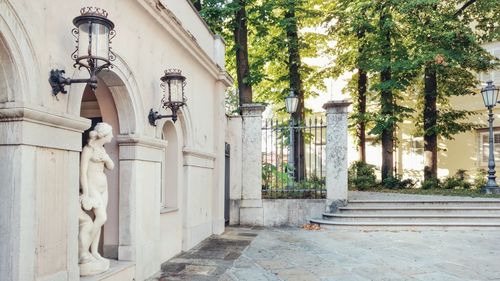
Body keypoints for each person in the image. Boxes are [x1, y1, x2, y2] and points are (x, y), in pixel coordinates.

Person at [78, 122, 114, 272]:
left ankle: (94, 252)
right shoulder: (88, 149)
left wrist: (106, 158)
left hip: (103, 188)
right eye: (110, 133)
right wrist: (85, 192)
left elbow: (111, 167)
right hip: (92, 186)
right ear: (104, 135)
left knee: (98, 221)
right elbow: (82, 172)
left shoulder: (102, 149)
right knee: (101, 218)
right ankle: (83, 251)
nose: (112, 136)